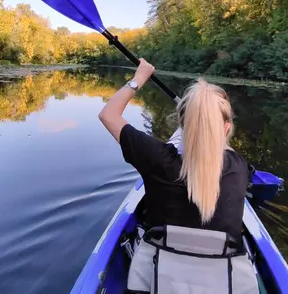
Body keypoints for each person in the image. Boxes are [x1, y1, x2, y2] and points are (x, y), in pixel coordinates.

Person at [98, 59, 249, 242]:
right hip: (223, 268)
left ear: (182, 125)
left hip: (159, 265)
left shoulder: (156, 157)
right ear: (225, 130)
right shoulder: (239, 167)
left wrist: (139, 78)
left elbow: (108, 114)